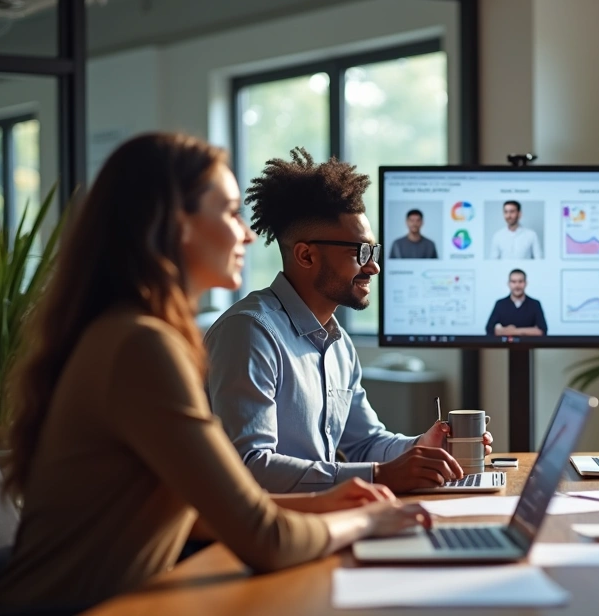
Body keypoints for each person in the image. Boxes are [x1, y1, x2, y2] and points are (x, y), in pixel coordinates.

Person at [0, 134, 428, 610]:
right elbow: (267, 539)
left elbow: (190, 514)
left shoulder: (132, 335)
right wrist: (371, 520)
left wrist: (332, 502)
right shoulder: (141, 346)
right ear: (176, 225)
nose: (245, 233)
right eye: (229, 211)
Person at [205, 148, 491, 494]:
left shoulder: (338, 343)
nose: (374, 267)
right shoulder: (250, 332)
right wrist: (379, 476)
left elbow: (367, 443)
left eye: (374, 251)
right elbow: (249, 467)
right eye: (360, 253)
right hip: (268, 536)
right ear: (306, 255)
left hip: (324, 520)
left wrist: (423, 446)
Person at [484, 268, 547, 336]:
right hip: (505, 346)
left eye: (520, 281)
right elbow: (490, 329)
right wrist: (529, 330)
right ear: (508, 284)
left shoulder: (535, 304)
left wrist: (511, 331)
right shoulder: (500, 304)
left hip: (529, 346)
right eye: (513, 282)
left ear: (526, 283)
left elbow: (542, 331)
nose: (517, 285)